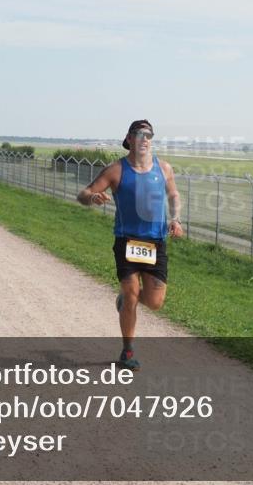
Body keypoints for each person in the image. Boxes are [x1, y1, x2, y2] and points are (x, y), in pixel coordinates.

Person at [76, 119, 183, 370]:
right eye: (140, 134)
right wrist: (92, 197)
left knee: (155, 301)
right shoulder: (116, 170)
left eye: (149, 135)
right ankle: (127, 351)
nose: (145, 139)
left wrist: (176, 219)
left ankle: (124, 301)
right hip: (127, 241)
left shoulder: (164, 168)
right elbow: (83, 193)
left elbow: (174, 195)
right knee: (132, 293)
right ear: (130, 138)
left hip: (156, 242)